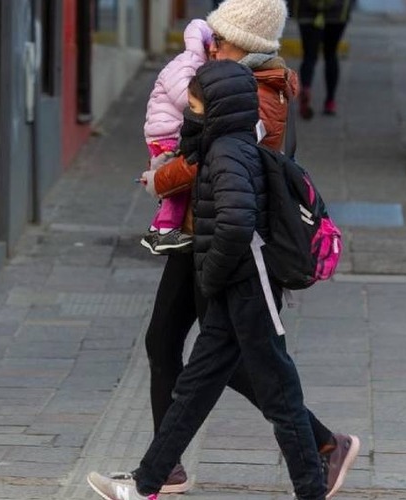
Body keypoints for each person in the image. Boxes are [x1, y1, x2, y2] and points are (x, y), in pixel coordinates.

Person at [137, 0, 359, 496]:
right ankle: (164, 468)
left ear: (248, 45)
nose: (212, 46)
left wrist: (162, 178)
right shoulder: (233, 82)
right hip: (202, 230)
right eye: (212, 36)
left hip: (227, 243)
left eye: (222, 39)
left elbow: (224, 164)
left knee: (233, 359)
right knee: (172, 344)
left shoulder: (257, 96)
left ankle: (322, 447)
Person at [89, 59, 330, 500]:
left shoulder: (228, 154)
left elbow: (237, 224)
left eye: (196, 102)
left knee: (279, 393)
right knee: (195, 388)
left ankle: (312, 488)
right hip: (234, 285)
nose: (190, 111)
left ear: (217, 106)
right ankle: (147, 484)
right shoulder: (224, 147)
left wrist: (211, 271)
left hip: (248, 285)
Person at [141, 19, 213, 255]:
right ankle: (166, 231)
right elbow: (185, 97)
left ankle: (156, 228)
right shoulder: (187, 63)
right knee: (176, 186)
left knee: (172, 180)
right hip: (166, 133)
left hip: (164, 130)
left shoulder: (192, 62)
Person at [293, 0, 354, 118]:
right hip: (337, 12)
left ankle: (306, 88)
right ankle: (330, 101)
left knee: (309, 56)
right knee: (331, 54)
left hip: (306, 11)